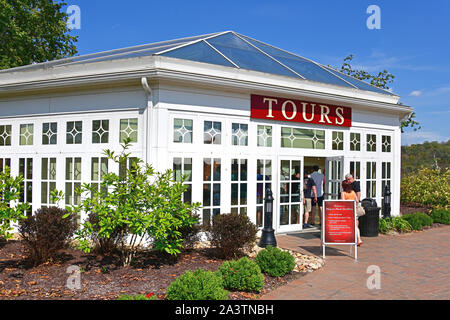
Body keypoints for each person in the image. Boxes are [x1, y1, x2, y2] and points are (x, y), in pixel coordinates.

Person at [341, 180, 363, 246]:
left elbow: (343, 202)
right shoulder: (353, 192)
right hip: (354, 210)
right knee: (356, 226)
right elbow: (357, 200)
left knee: (348, 225)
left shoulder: (343, 193)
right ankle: (358, 239)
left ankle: (356, 239)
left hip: (348, 211)